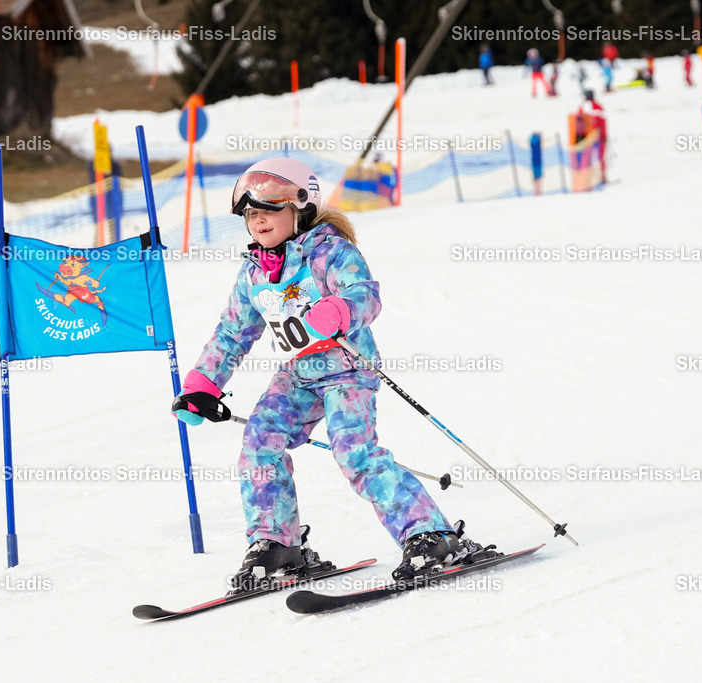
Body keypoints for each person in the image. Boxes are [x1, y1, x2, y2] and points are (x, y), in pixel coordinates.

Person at [171, 158, 493, 591]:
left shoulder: (329, 251)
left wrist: (339, 310)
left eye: (269, 209)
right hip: (298, 376)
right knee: (259, 442)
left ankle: (429, 536)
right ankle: (277, 544)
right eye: (250, 214)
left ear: (301, 207)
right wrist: (202, 385)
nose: (258, 220)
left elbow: (366, 295)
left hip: (347, 370)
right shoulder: (253, 273)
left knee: (354, 451)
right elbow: (233, 332)